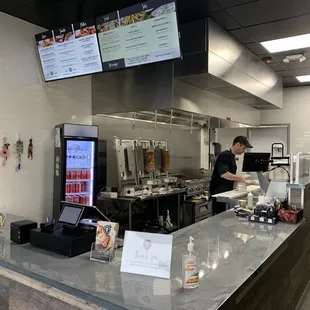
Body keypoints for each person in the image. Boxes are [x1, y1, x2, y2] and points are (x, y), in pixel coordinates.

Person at [209, 136, 253, 215]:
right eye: (244, 148)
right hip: (219, 194)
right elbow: (224, 174)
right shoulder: (225, 155)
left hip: (225, 193)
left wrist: (239, 182)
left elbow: (229, 175)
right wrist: (241, 178)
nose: (244, 150)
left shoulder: (232, 156)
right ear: (238, 144)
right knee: (220, 218)